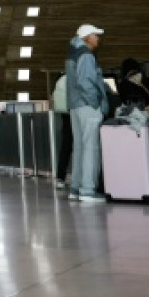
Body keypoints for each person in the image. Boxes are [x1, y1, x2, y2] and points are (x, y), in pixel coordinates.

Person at [65, 23, 109, 203]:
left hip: (75, 106)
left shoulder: (72, 53)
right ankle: (88, 190)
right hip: (87, 105)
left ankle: (76, 188)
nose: (98, 38)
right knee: (91, 148)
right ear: (87, 37)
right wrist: (95, 103)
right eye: (95, 35)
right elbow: (86, 82)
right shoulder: (85, 54)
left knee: (80, 148)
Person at [51, 74, 72, 188]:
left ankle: (60, 177)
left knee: (65, 147)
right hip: (75, 113)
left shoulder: (61, 80)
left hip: (65, 115)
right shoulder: (76, 77)